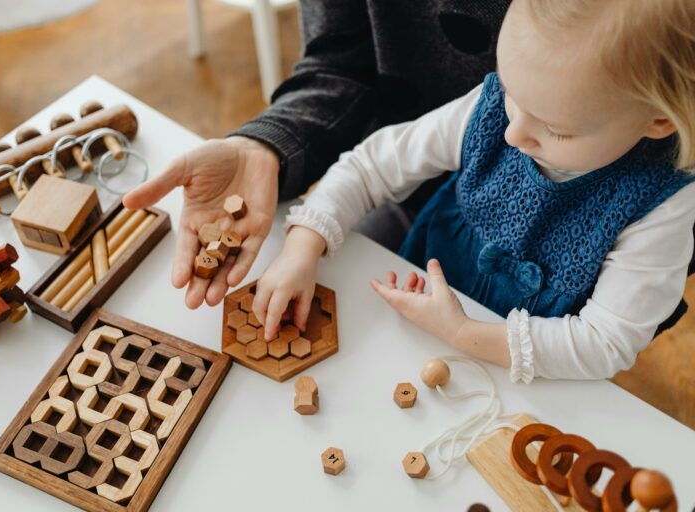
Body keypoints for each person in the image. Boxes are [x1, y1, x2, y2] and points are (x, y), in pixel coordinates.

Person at [252, 0, 695, 382]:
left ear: (659, 121)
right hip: (411, 315)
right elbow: (372, 166)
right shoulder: (495, 112)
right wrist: (302, 246)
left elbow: (605, 343)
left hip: (526, 371)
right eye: (511, 94)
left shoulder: (663, 204)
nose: (513, 134)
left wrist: (463, 333)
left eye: (556, 130)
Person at [123, 0, 512, 308]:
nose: (517, 133)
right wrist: (263, 146)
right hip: (404, 194)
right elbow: (338, 67)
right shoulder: (471, 114)